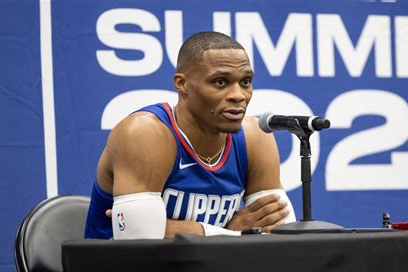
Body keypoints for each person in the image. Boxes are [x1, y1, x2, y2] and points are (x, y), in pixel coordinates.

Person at [84, 31, 295, 240]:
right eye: (220, 82)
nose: (238, 95)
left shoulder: (255, 137)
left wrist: (175, 229)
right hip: (123, 271)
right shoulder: (144, 133)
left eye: (245, 82)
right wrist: (233, 232)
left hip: (211, 270)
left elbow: (279, 230)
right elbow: (141, 239)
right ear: (181, 84)